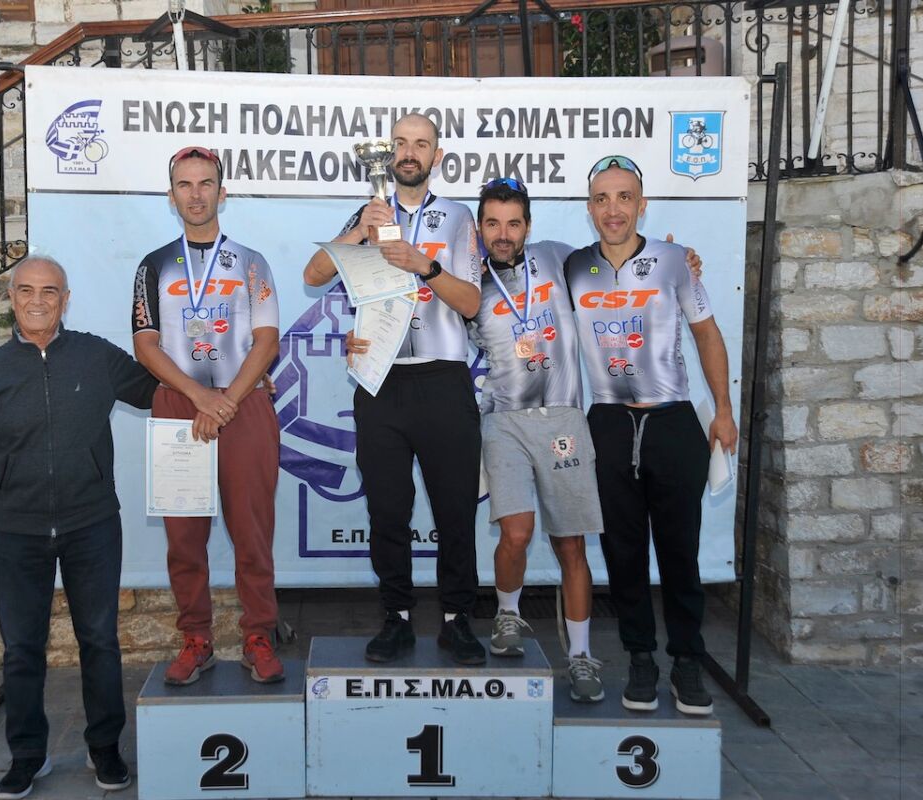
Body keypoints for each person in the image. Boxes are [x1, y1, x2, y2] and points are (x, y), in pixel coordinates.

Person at [0, 256, 157, 798]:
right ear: (11, 298)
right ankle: (27, 755)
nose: (37, 300)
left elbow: (163, 392)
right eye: (26, 290)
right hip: (15, 531)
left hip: (92, 524)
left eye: (49, 291)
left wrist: (232, 387)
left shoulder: (96, 356)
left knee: (99, 640)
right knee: (22, 648)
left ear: (66, 300)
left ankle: (104, 747)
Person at [304, 114, 485, 666]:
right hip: (380, 380)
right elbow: (314, 274)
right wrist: (359, 231)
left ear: (436, 155)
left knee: (455, 509)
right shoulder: (369, 212)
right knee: (387, 510)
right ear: (389, 154)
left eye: (420, 144)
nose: (409, 152)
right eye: (401, 143)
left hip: (443, 378)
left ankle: (457, 620)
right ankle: (396, 618)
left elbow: (472, 303)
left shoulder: (457, 217)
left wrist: (424, 265)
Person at [563, 155, 737, 716]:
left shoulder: (675, 261)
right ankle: (641, 658)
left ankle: (687, 661)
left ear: (642, 205)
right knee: (623, 552)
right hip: (608, 423)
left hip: (671, 420)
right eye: (601, 199)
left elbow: (707, 334)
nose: (612, 209)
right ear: (589, 209)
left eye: (623, 197)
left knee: (680, 551)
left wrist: (724, 410)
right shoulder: (572, 266)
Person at [132, 146, 284, 686]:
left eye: (205, 184)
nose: (195, 194)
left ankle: (258, 635)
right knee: (183, 536)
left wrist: (227, 401)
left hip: (244, 402)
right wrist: (200, 398)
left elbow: (267, 340)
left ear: (223, 192)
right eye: (185, 184)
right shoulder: (153, 264)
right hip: (180, 403)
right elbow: (145, 345)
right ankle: (196, 639)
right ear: (171, 195)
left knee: (252, 531)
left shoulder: (251, 261)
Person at [465, 179, 606, 702]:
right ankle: (508, 615)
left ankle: (581, 655)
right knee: (517, 533)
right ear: (480, 228)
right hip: (503, 419)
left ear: (528, 226)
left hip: (564, 418)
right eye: (492, 223)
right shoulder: (470, 283)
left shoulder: (558, 258)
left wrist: (676, 262)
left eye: (513, 223)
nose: (503, 234)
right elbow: (422, 325)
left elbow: (615, 272)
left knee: (570, 542)